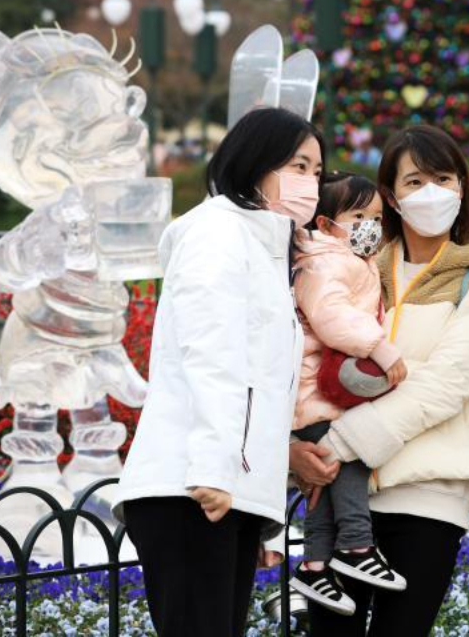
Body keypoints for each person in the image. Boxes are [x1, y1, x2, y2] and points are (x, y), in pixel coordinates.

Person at [114, 108, 327, 637]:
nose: (311, 182)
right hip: (190, 488)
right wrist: (212, 469)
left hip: (223, 491)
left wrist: (261, 507)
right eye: (299, 165)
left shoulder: (262, 244)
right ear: (256, 161)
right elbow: (214, 355)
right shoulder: (217, 232)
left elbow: (264, 389)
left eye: (318, 171)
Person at [292, 124, 469, 636]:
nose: (430, 192)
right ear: (390, 194)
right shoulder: (356, 269)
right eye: (414, 182)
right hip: (348, 499)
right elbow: (306, 352)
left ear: (461, 188)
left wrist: (340, 444)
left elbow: (447, 383)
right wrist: (294, 447)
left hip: (426, 492)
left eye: (443, 178)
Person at [289, 172, 409, 614]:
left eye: (376, 216)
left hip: (315, 395)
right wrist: (379, 348)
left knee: (324, 479)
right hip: (314, 392)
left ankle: (315, 566)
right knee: (351, 460)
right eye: (358, 215)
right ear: (324, 223)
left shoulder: (343, 259)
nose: (370, 225)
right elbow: (332, 315)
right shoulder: (325, 261)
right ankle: (357, 548)